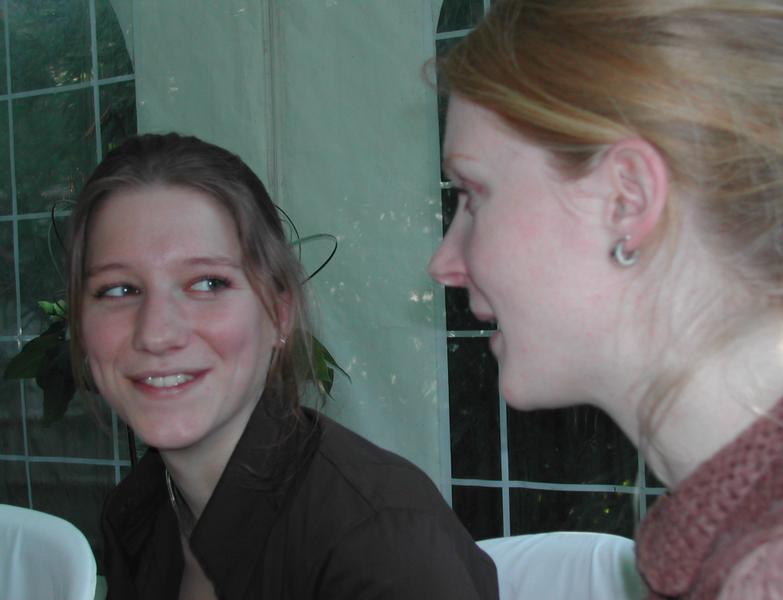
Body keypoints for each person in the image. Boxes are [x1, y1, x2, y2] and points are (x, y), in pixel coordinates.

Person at [428, 1, 783, 597]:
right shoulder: (741, 535)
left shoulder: (774, 571)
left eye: (474, 195)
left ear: (626, 201)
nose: (444, 264)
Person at [67, 133, 498, 600]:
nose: (155, 333)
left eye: (207, 283)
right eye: (118, 290)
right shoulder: (139, 512)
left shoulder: (378, 543)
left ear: (280, 314)